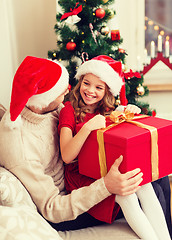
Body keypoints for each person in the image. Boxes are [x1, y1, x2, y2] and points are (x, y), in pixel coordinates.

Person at [0, 56, 144, 231]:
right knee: (141, 192)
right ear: (46, 97)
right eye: (61, 91)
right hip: (65, 208)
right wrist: (106, 186)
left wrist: (121, 111)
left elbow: (90, 116)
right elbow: (52, 208)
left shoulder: (49, 108)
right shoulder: (22, 149)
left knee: (156, 183)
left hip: (84, 178)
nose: (68, 91)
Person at [58, 55, 171, 239]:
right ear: (80, 82)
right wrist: (88, 127)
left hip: (105, 171)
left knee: (143, 185)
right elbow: (66, 156)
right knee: (126, 196)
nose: (90, 91)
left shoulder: (107, 110)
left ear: (107, 91)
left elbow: (121, 140)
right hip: (81, 177)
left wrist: (130, 113)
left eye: (99, 87)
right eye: (87, 83)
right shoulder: (68, 110)